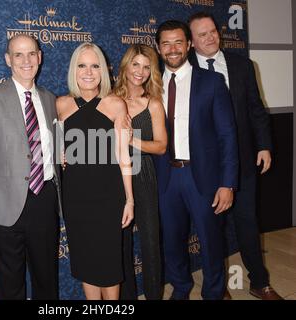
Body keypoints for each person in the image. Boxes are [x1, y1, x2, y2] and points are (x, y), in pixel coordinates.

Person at [188, 12, 283, 300]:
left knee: (247, 223)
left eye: (213, 31)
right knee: (210, 229)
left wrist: (264, 146)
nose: (210, 37)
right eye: (202, 34)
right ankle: (217, 287)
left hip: (242, 162)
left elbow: (256, 109)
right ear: (191, 42)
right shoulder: (183, 70)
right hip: (203, 166)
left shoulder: (242, 65)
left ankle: (259, 282)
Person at [154, 20, 238, 300]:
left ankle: (213, 293)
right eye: (166, 43)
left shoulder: (212, 82)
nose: (173, 48)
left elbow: (228, 136)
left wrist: (227, 183)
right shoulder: (150, 85)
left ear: (189, 44)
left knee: (211, 242)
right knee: (172, 242)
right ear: (158, 47)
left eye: (178, 42)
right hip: (165, 177)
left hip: (203, 177)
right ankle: (181, 288)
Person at [0, 34, 60, 300]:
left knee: (46, 276)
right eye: (18, 55)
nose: (26, 60)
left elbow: (55, 148)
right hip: (5, 204)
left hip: (44, 198)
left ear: (40, 57)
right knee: (9, 281)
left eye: (32, 53)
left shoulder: (50, 99)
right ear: (8, 59)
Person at [57, 42, 134, 300]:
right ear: (73, 70)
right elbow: (54, 146)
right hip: (75, 196)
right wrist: (60, 153)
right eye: (82, 65)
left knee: (110, 261)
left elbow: (124, 155)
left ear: (103, 71)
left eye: (94, 66)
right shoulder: (60, 105)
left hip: (109, 195)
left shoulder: (115, 104)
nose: (88, 72)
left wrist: (129, 199)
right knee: (85, 258)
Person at [113, 44, 167, 300]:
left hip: (144, 173)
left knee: (150, 242)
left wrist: (132, 141)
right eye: (136, 64)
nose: (141, 71)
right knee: (120, 244)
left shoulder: (153, 103)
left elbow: (161, 146)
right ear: (126, 65)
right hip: (114, 175)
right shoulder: (110, 99)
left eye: (147, 67)